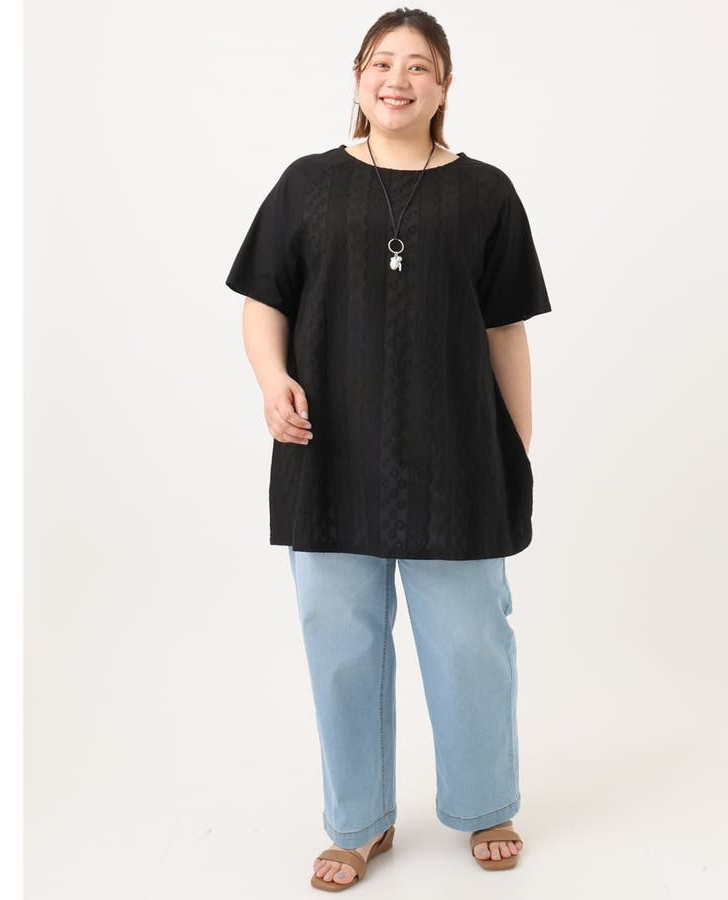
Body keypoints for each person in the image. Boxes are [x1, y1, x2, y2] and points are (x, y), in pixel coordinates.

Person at [225, 7, 551, 891]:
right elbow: (264, 300)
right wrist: (271, 381)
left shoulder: (486, 192)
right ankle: (359, 822)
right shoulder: (306, 183)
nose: (396, 79)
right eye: (380, 62)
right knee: (339, 645)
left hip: (458, 456)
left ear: (443, 87)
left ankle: (485, 803)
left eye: (417, 66)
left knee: (471, 642)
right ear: (358, 77)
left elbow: (506, 329)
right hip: (327, 451)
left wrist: (514, 450)